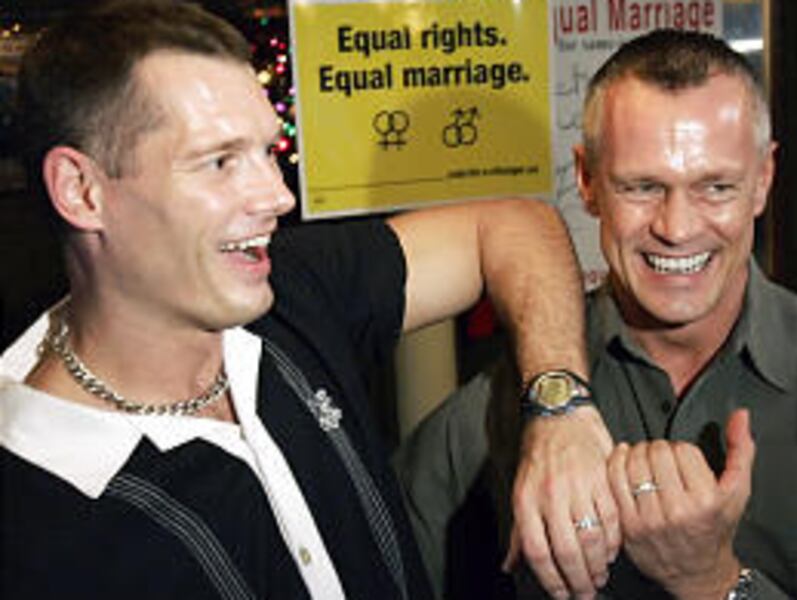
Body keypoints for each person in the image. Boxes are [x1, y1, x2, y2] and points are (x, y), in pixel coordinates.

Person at [0, 1, 608, 599]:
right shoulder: (34, 521)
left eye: (267, 152)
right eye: (219, 162)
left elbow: (513, 227)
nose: (276, 196)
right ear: (82, 191)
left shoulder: (285, 291)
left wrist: (560, 410)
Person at [396, 29, 797, 600]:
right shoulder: (486, 418)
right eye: (641, 187)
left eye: (716, 186)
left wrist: (712, 582)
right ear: (586, 181)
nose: (677, 227)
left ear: (763, 180)